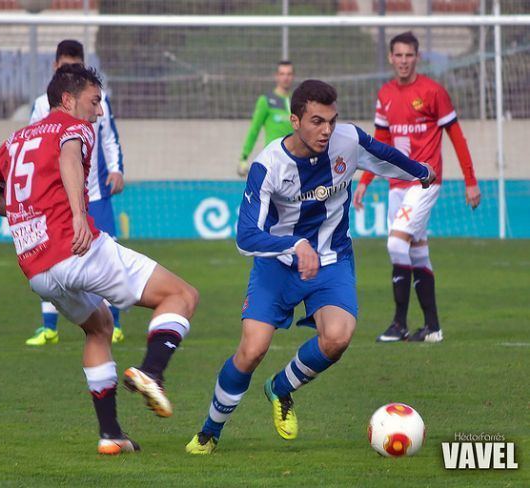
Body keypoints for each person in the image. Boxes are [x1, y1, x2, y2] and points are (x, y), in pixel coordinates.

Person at [185, 79, 435, 454]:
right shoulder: (268, 165)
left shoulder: (347, 141)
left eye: (331, 121)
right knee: (252, 350)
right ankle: (209, 431)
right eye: (317, 121)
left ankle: (281, 389)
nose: (326, 130)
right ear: (294, 120)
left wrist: (420, 171)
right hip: (277, 266)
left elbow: (384, 155)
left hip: (332, 259)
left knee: (338, 337)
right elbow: (246, 236)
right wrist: (295, 243)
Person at [0, 64, 199, 455]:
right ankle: (152, 372)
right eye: (95, 101)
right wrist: (79, 214)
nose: (99, 111)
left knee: (98, 328)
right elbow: (68, 156)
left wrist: (30, 218)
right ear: (68, 99)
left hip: (37, 268)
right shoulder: (72, 126)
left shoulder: (16, 139)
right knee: (181, 295)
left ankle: (111, 435)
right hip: (76, 247)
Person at [353, 31, 481, 344]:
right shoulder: (385, 94)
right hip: (396, 184)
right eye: (398, 55)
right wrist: (366, 181)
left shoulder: (433, 92)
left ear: (417, 57)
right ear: (390, 58)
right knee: (418, 253)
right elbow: (380, 142)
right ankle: (433, 328)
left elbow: (456, 136)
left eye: (409, 55)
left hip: (424, 182)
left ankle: (398, 324)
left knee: (396, 245)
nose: (403, 61)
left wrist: (471, 180)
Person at [26, 39, 126, 346]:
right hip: (57, 198)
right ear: (56, 67)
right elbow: (31, 146)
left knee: (108, 256)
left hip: (94, 193)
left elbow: (110, 137)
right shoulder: (43, 105)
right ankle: (49, 327)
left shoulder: (98, 100)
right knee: (50, 256)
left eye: (76, 66)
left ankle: (115, 322)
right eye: (66, 66)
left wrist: (117, 168)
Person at [237, 61, 294, 177]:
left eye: (289, 74)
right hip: (273, 161)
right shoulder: (266, 100)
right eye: (282, 74)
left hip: (294, 161)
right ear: (276, 76)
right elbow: (254, 129)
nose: (285, 78)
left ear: (293, 77)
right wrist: (244, 156)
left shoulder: (297, 101)